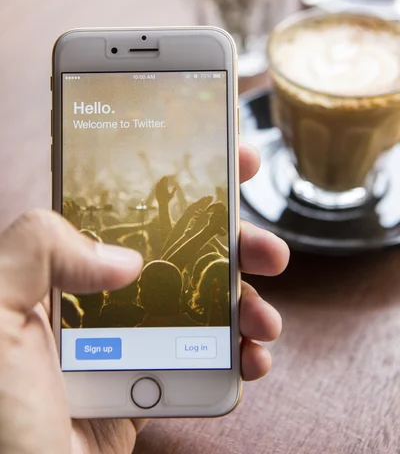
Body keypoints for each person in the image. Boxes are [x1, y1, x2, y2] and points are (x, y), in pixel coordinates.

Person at [0, 144, 289, 453]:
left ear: (141, 291)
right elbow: (171, 260)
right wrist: (200, 228)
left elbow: (170, 260)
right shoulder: (197, 326)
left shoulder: (106, 323)